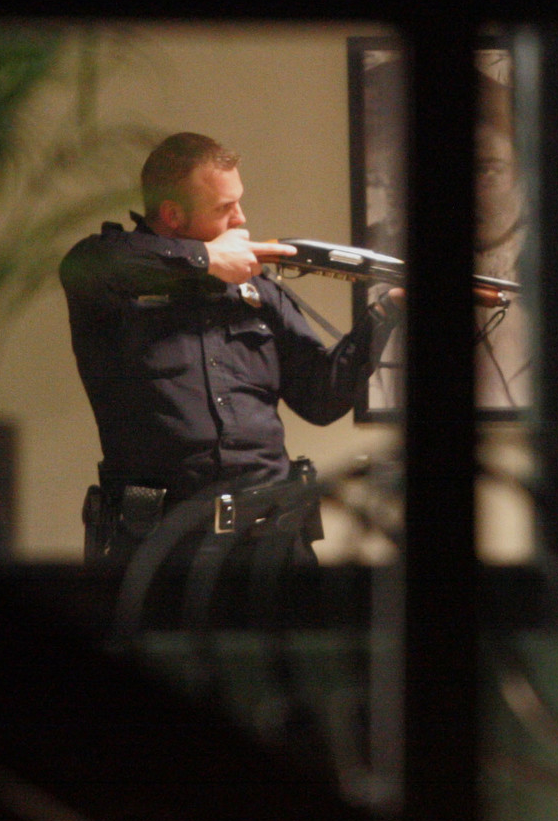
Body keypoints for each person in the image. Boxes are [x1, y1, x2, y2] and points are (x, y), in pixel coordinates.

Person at [60, 132, 403, 569]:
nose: (241, 219)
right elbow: (88, 263)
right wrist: (205, 260)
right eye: (224, 208)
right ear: (173, 215)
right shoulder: (112, 281)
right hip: (161, 550)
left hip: (273, 544)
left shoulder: (255, 290)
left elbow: (321, 399)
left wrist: (386, 314)